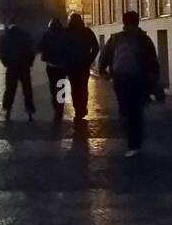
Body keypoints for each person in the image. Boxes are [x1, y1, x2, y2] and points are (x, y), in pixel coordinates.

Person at [99, 10, 162, 156]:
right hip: (138, 79)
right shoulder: (143, 39)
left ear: (124, 22)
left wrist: (103, 70)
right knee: (136, 110)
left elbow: (105, 55)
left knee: (124, 107)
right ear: (137, 22)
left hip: (120, 78)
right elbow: (152, 60)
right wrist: (154, 81)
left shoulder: (116, 38)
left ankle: (127, 129)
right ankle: (134, 143)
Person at [64, 13, 100, 123]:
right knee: (83, 88)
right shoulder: (87, 32)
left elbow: (61, 48)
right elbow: (96, 47)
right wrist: (89, 59)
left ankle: (78, 109)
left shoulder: (67, 32)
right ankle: (82, 108)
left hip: (71, 65)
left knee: (75, 88)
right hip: (84, 64)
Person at [0, 19, 36, 121]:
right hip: (24, 66)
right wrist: (29, 63)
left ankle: (8, 111)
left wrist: (6, 63)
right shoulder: (25, 35)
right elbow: (31, 51)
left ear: (9, 25)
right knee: (27, 90)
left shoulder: (5, 37)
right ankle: (29, 112)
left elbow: (2, 53)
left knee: (10, 89)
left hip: (12, 67)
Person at [37, 18, 70, 121]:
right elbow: (68, 48)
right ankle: (59, 108)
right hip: (62, 66)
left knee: (52, 87)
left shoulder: (47, 35)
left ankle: (56, 106)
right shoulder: (65, 35)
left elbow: (40, 47)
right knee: (61, 87)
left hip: (51, 65)